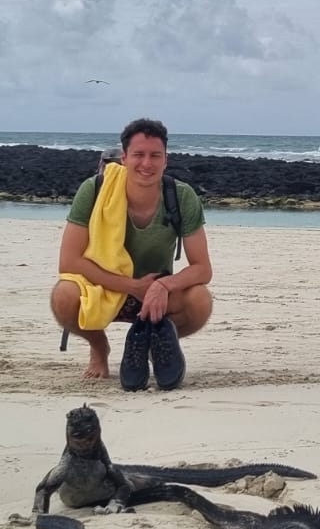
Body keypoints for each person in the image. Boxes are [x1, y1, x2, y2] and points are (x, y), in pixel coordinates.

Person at [49, 118, 214, 391]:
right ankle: (99, 347)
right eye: (138, 155)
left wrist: (162, 285)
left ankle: (155, 343)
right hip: (104, 287)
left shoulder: (181, 196)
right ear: (124, 158)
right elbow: (69, 261)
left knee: (200, 300)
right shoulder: (95, 189)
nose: (146, 164)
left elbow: (202, 269)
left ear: (165, 160)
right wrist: (131, 286)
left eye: (154, 156)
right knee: (63, 295)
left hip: (154, 295)